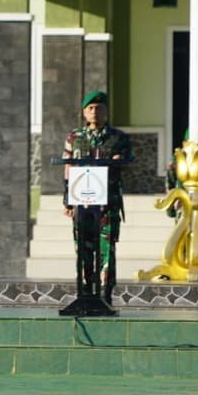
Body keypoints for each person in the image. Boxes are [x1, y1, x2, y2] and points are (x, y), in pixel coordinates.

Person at [62, 90, 135, 306]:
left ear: (106, 111)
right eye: (90, 108)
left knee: (106, 248)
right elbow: (68, 166)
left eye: (99, 108)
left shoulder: (118, 138)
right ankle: (85, 289)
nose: (95, 112)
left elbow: (130, 163)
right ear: (84, 112)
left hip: (107, 203)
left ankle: (105, 291)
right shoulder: (74, 137)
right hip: (82, 202)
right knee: (83, 248)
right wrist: (67, 200)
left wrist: (120, 160)